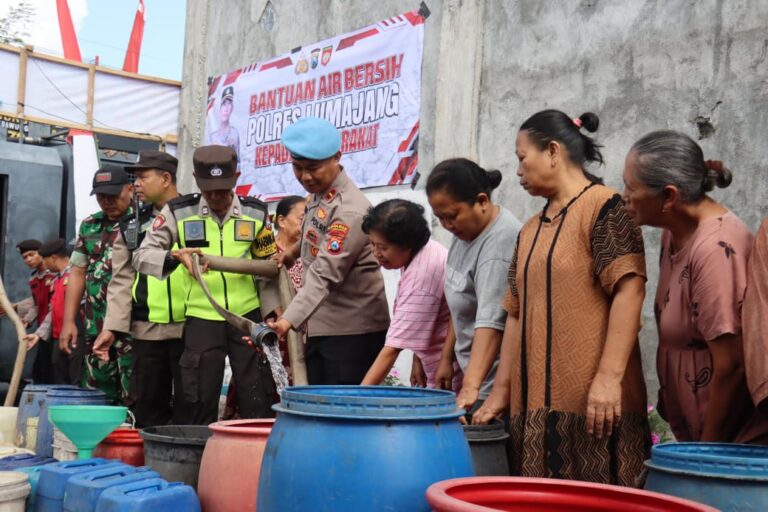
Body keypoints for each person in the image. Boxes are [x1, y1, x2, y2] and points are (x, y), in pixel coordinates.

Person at [475, 110, 648, 486]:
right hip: (533, 410)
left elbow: (629, 289)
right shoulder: (529, 230)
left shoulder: (606, 207)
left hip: (595, 408)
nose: (518, 171)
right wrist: (499, 394)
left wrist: (608, 379)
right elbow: (515, 313)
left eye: (523, 158)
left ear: (553, 151)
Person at [623, 129, 768, 444]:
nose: (624, 196)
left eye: (631, 188)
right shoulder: (673, 231)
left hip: (727, 444)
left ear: (669, 197)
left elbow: (732, 366)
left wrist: (705, 451)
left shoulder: (716, 250)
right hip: (695, 433)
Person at [133, 145, 280, 425]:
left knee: (258, 395)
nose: (215, 197)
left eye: (223, 190)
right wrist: (173, 256)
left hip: (247, 318)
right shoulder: (178, 211)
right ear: (195, 179)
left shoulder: (257, 213)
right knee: (196, 399)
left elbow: (268, 268)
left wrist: (273, 311)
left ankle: (256, 461)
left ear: (236, 177)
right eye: (208, 189)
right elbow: (141, 256)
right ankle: (197, 464)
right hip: (202, 318)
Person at [269, 117, 390, 385]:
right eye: (297, 168)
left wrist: (287, 321)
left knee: (346, 417)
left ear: (337, 157)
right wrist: (290, 254)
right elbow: (314, 236)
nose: (305, 177)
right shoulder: (321, 195)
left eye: (313, 168)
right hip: (323, 324)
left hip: (352, 332)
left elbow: (325, 274)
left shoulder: (349, 210)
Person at [94, 150, 189, 428]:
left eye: (143, 177)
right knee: (148, 406)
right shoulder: (131, 224)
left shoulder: (195, 214)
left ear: (166, 178)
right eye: (134, 178)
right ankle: (151, 465)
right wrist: (112, 327)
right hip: (146, 329)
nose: (136, 184)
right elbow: (121, 279)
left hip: (192, 328)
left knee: (190, 404)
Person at [426, 159, 520, 414]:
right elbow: (461, 299)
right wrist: (447, 358)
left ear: (482, 201)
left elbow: (491, 322)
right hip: (475, 376)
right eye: (439, 218)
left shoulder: (498, 244)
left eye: (452, 216)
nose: (446, 225)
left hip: (492, 385)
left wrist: (471, 388)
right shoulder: (465, 232)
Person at [360, 199, 460, 389]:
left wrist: (355, 399)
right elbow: (426, 317)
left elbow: (391, 350)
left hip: (449, 378)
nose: (375, 253)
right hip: (437, 364)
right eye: (372, 244)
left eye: (383, 247)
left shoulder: (420, 278)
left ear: (407, 244)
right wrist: (417, 359)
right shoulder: (426, 250)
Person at [60, 166, 134, 404]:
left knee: (133, 392)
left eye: (113, 195)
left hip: (131, 327)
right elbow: (78, 272)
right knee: (96, 394)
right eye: (102, 196)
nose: (107, 202)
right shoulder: (90, 225)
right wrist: (69, 321)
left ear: (130, 190)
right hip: (95, 325)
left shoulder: (144, 223)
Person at [23, 239, 81, 385]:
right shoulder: (57, 280)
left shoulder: (75, 277)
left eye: (45, 259)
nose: (45, 265)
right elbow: (51, 311)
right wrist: (38, 334)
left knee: (75, 378)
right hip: (57, 337)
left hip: (75, 336)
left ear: (53, 258)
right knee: (58, 379)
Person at [6, 239, 56, 383]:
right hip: (43, 330)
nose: (28, 259)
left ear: (41, 253)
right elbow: (37, 305)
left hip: (56, 328)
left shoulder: (53, 275)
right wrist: (27, 320)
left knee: (52, 370)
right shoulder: (34, 278)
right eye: (25, 257)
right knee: (40, 372)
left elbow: (55, 305)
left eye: (31, 254)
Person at [274, 195, 306, 291]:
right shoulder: (268, 251)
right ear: (282, 221)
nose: (307, 224)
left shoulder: (311, 248)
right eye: (302, 219)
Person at [206, 86, 240, 164]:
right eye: (224, 104)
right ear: (220, 108)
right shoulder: (212, 136)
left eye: (229, 104)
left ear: (232, 108)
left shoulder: (235, 133)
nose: (226, 109)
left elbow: (238, 162)